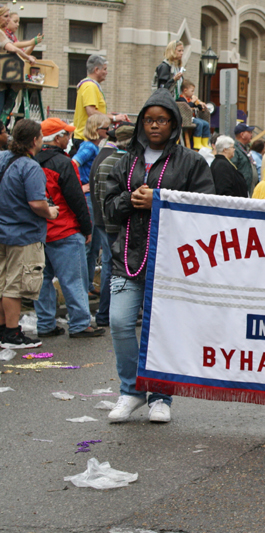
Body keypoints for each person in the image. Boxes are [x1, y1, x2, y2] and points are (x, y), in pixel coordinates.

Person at [104, 89, 215, 423]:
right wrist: (130, 199)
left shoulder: (192, 162)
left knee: (163, 329)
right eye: (149, 120)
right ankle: (131, 391)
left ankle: (162, 396)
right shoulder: (126, 161)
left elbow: (205, 207)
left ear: (173, 124)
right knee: (120, 321)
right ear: (141, 124)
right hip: (127, 258)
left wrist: (161, 200)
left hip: (171, 261)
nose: (155, 126)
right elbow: (108, 207)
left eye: (162, 120)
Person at [34, 118, 104, 340]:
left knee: (43, 279)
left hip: (38, 231)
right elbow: (76, 199)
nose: (69, 139)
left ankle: (45, 324)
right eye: (66, 134)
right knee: (73, 279)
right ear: (57, 138)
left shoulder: (30, 161)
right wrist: (86, 228)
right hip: (64, 228)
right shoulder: (64, 163)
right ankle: (80, 324)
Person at [0, 120, 58, 349]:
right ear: (35, 140)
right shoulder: (30, 166)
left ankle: (3, 328)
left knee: (3, 283)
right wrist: (51, 212)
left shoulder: (3, 158)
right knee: (15, 286)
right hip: (23, 234)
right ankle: (12, 333)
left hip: (3, 230)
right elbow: (36, 203)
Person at [89, 122, 134, 327]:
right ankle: (108, 313)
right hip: (118, 224)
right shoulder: (127, 163)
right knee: (116, 268)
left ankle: (105, 312)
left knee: (109, 265)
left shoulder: (105, 161)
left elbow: (97, 193)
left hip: (104, 221)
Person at [73, 113, 110, 295]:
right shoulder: (88, 148)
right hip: (88, 197)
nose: (109, 131)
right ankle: (83, 286)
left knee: (94, 245)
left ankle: (88, 285)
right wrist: (81, 186)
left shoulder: (94, 147)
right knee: (89, 244)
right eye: (106, 128)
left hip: (92, 197)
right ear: (97, 130)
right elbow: (74, 164)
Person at [72, 55, 128, 155]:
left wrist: (111, 116)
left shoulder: (90, 85)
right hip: (85, 138)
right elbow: (92, 112)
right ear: (96, 70)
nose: (106, 72)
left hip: (87, 138)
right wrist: (114, 118)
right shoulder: (90, 86)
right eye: (105, 69)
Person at [0, 7, 37, 121]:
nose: (8, 19)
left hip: (5, 80)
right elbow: (13, 48)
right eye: (6, 16)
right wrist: (28, 56)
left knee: (5, 113)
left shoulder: (5, 33)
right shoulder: (1, 33)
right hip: (2, 81)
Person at [177, 80, 210, 149]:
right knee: (199, 123)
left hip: (192, 118)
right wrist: (193, 101)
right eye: (192, 91)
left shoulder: (190, 99)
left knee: (206, 124)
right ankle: (197, 143)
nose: (193, 93)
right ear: (185, 90)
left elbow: (197, 107)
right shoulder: (181, 99)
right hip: (186, 119)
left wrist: (200, 105)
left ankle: (204, 143)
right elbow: (187, 106)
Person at [232, 123, 256, 194]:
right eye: (249, 132)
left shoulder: (245, 148)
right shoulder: (235, 149)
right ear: (242, 135)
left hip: (248, 189)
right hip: (240, 190)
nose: (251, 135)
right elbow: (233, 169)